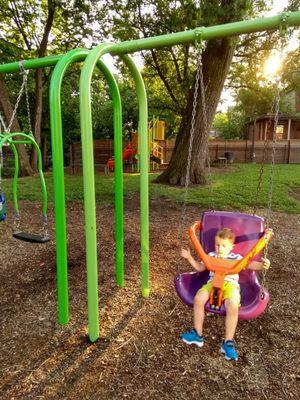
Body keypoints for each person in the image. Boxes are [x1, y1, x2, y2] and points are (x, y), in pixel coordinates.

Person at [180, 227, 271, 361]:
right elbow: (200, 268)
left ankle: (228, 342)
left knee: (232, 306)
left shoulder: (236, 257)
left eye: (223, 245)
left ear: (231, 247)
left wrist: (263, 265)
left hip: (230, 286)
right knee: (198, 299)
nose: (219, 248)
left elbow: (251, 264)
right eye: (217, 244)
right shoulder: (211, 255)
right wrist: (189, 258)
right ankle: (197, 334)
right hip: (212, 284)